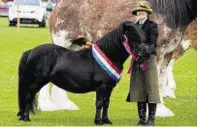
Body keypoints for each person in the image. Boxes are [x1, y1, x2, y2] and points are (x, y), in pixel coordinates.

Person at [126, 1, 160, 126]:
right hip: (136, 60)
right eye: (138, 11)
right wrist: (135, 51)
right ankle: (141, 119)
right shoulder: (133, 27)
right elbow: (130, 42)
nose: (140, 13)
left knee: (151, 88)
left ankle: (151, 119)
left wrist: (145, 50)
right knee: (138, 89)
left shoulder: (152, 26)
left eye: (142, 11)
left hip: (149, 59)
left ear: (147, 13)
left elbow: (153, 43)